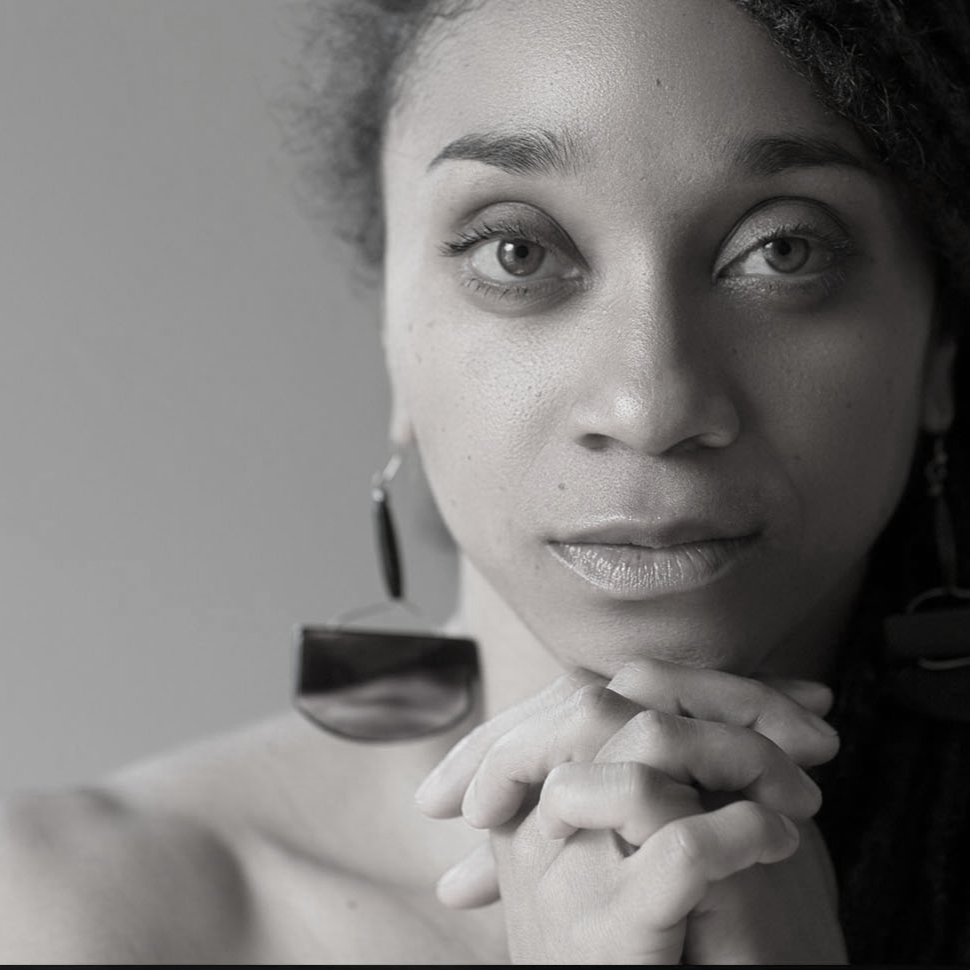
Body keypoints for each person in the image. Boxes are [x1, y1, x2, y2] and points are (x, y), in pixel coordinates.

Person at [1, 0, 969, 962]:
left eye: (784, 250)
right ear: (393, 335)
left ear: (940, 346)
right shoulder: (69, 917)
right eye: (519, 251)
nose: (649, 406)